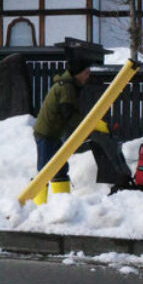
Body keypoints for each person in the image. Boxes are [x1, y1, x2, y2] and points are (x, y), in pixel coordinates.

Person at [32, 57, 92, 196]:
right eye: (86, 73)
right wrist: (87, 125)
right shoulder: (67, 87)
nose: (88, 76)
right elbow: (68, 112)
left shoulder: (69, 85)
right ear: (77, 73)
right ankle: (39, 207)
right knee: (45, 170)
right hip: (46, 133)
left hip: (54, 133)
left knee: (60, 167)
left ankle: (63, 202)